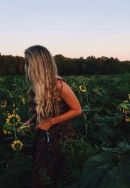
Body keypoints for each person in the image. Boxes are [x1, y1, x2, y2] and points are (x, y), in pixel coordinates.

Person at [18, 45, 82, 188]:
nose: (25, 67)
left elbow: (77, 110)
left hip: (60, 137)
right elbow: (43, 111)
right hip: (44, 135)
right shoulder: (39, 85)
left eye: (28, 63)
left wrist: (51, 122)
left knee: (50, 176)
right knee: (42, 173)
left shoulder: (59, 85)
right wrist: (29, 121)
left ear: (38, 65)